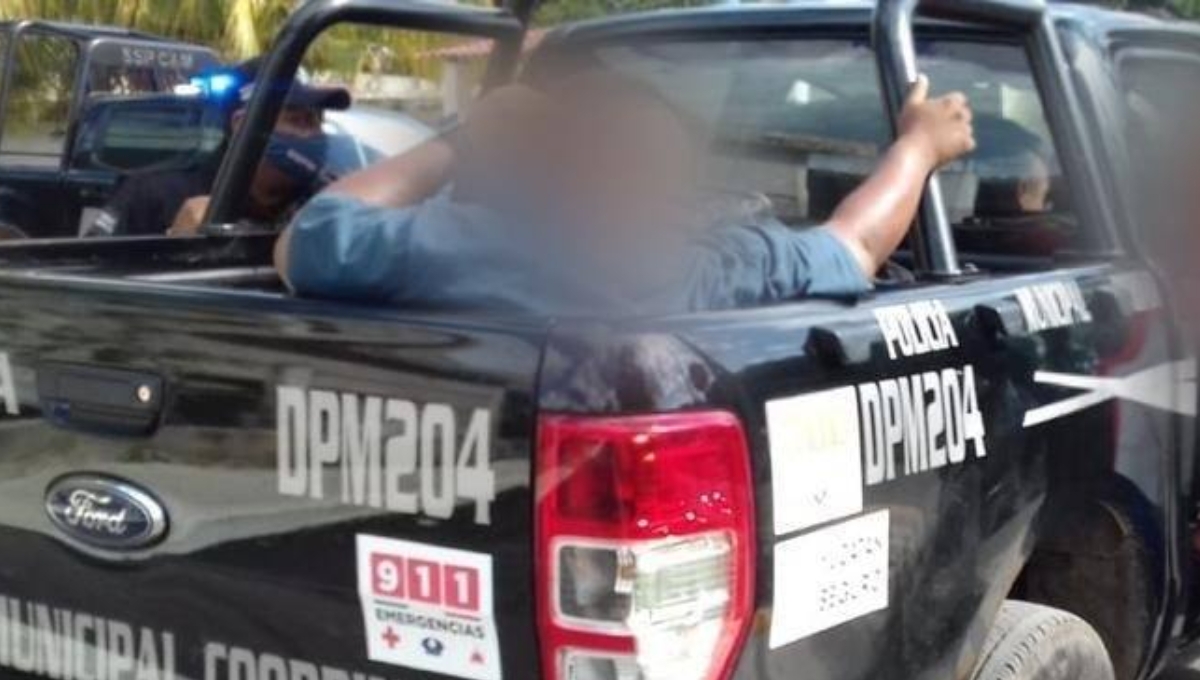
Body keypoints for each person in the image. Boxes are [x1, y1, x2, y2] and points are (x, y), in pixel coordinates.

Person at [274, 72, 975, 314]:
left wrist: (463, 140)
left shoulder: (464, 245)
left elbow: (307, 236)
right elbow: (855, 246)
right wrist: (918, 150)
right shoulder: (706, 268)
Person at [86, 57, 350, 238]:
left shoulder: (329, 203)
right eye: (298, 120)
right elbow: (91, 281)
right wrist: (174, 248)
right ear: (242, 125)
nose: (313, 135)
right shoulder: (153, 195)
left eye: (317, 121)